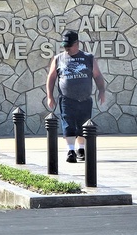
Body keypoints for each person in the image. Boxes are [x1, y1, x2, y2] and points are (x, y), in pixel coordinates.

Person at [45, 29, 107, 163]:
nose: (67, 47)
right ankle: (71, 150)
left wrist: (102, 91)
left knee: (83, 125)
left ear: (77, 43)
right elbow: (51, 78)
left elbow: (97, 75)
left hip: (85, 98)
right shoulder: (58, 58)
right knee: (68, 124)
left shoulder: (88, 58)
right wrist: (50, 96)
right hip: (67, 99)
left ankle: (81, 149)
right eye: (65, 45)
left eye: (69, 44)